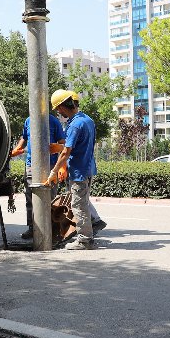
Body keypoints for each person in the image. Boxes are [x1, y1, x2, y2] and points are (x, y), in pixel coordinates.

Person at [46, 89, 98, 250]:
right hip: (87, 168)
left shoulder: (74, 124)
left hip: (78, 171)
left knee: (79, 206)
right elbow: (78, 144)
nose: (59, 112)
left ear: (63, 106)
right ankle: (87, 235)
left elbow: (66, 152)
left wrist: (54, 171)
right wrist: (60, 146)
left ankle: (84, 240)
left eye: (58, 109)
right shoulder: (87, 120)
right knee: (82, 204)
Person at [10, 114, 66, 240]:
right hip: (31, 165)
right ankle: (32, 228)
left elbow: (63, 144)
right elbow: (24, 138)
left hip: (50, 165)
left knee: (50, 198)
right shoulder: (28, 120)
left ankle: (51, 229)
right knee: (30, 198)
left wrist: (62, 166)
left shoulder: (53, 121)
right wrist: (16, 149)